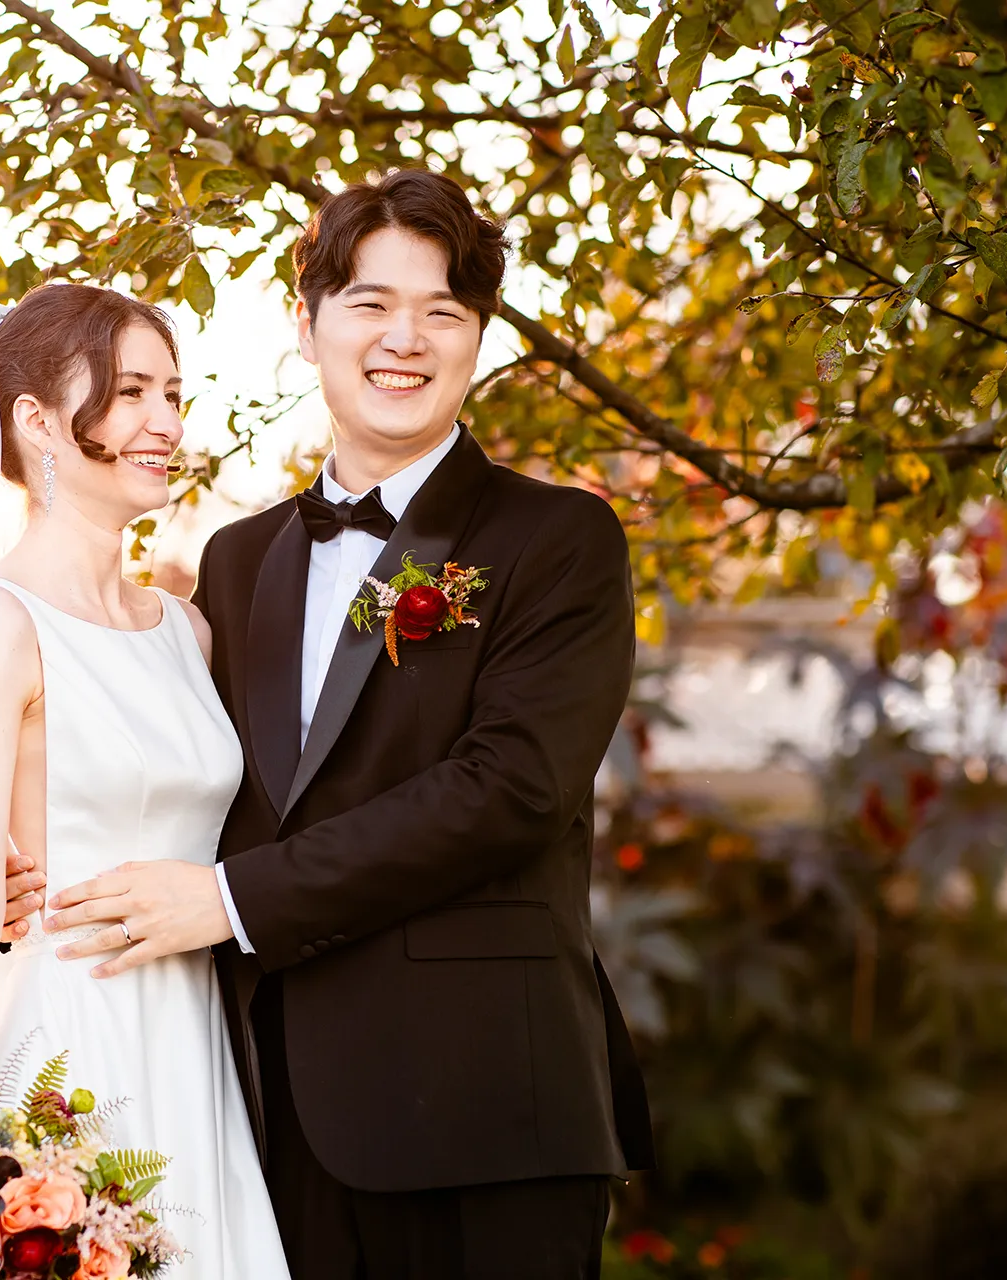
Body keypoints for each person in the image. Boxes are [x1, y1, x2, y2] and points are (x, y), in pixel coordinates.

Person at [34, 169, 656, 1279]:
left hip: (488, 1120)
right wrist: (39, 867)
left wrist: (228, 900)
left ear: (480, 338)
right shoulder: (238, 561)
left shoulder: (557, 539)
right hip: (267, 1121)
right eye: (370, 303)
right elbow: (196, 781)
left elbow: (509, 790)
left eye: (444, 312)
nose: (403, 339)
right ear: (307, 321)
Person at [0, 282, 288, 1279]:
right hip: (65, 1054)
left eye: (174, 394)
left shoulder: (188, 626)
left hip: (193, 1038)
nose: (165, 422)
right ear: (36, 421)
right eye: (130, 393)